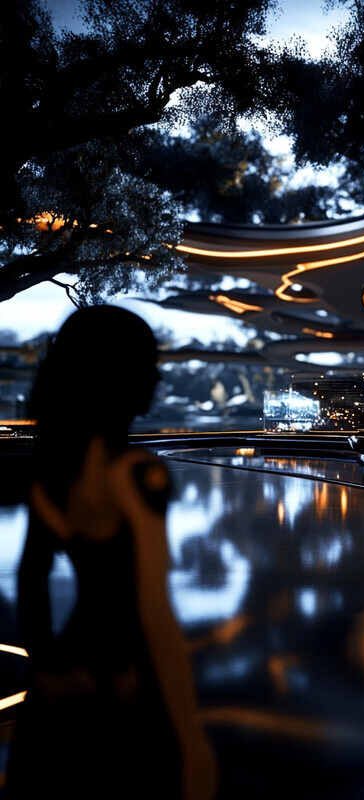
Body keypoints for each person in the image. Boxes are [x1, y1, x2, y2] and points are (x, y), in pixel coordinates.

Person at [6, 305, 217, 800]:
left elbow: (29, 580)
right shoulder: (138, 474)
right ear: (117, 374)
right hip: (127, 677)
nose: (158, 375)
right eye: (149, 361)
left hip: (64, 678)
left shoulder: (53, 470)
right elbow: (154, 611)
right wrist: (191, 738)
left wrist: (51, 668)